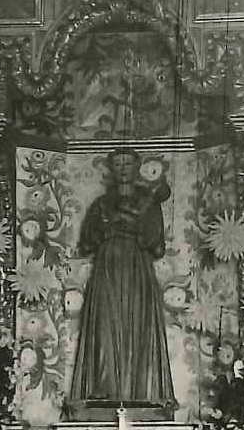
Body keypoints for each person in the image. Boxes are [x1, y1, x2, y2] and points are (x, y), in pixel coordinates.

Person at [70, 149, 176, 413]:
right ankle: (104, 392)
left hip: (137, 271)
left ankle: (141, 395)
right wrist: (107, 227)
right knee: (104, 325)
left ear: (137, 166)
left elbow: (157, 245)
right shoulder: (101, 204)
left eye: (128, 163)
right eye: (118, 163)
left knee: (138, 326)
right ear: (111, 169)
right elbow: (87, 242)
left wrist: (134, 225)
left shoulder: (148, 203)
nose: (123, 168)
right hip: (107, 270)